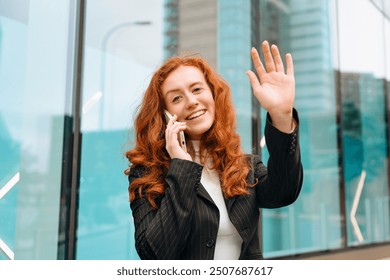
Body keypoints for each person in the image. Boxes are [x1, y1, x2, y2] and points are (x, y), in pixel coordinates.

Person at [125, 41, 303, 260]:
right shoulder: (147, 175)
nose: (191, 102)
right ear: (164, 115)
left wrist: (281, 115)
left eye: (197, 89)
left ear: (213, 95)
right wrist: (181, 166)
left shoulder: (243, 166)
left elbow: (283, 193)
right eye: (176, 98)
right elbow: (153, 254)